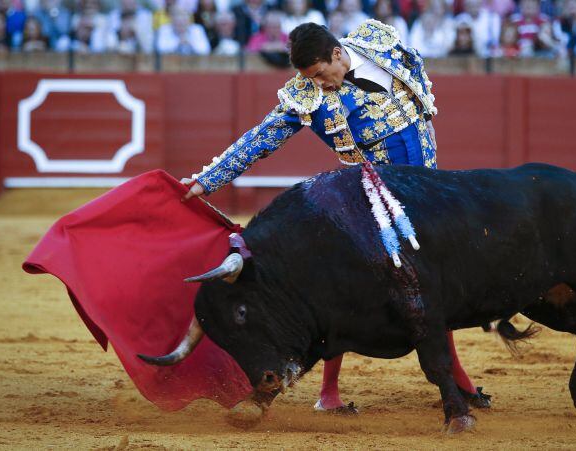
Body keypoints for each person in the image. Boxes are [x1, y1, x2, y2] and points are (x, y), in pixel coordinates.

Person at [181, 20, 492, 414]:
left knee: (435, 281)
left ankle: (452, 383)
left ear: (336, 54)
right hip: (376, 202)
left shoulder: (380, 42)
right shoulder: (306, 96)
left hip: (428, 191)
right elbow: (261, 137)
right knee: (366, 290)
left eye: (320, 73)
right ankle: (334, 393)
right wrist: (208, 180)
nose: (320, 84)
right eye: (309, 78)